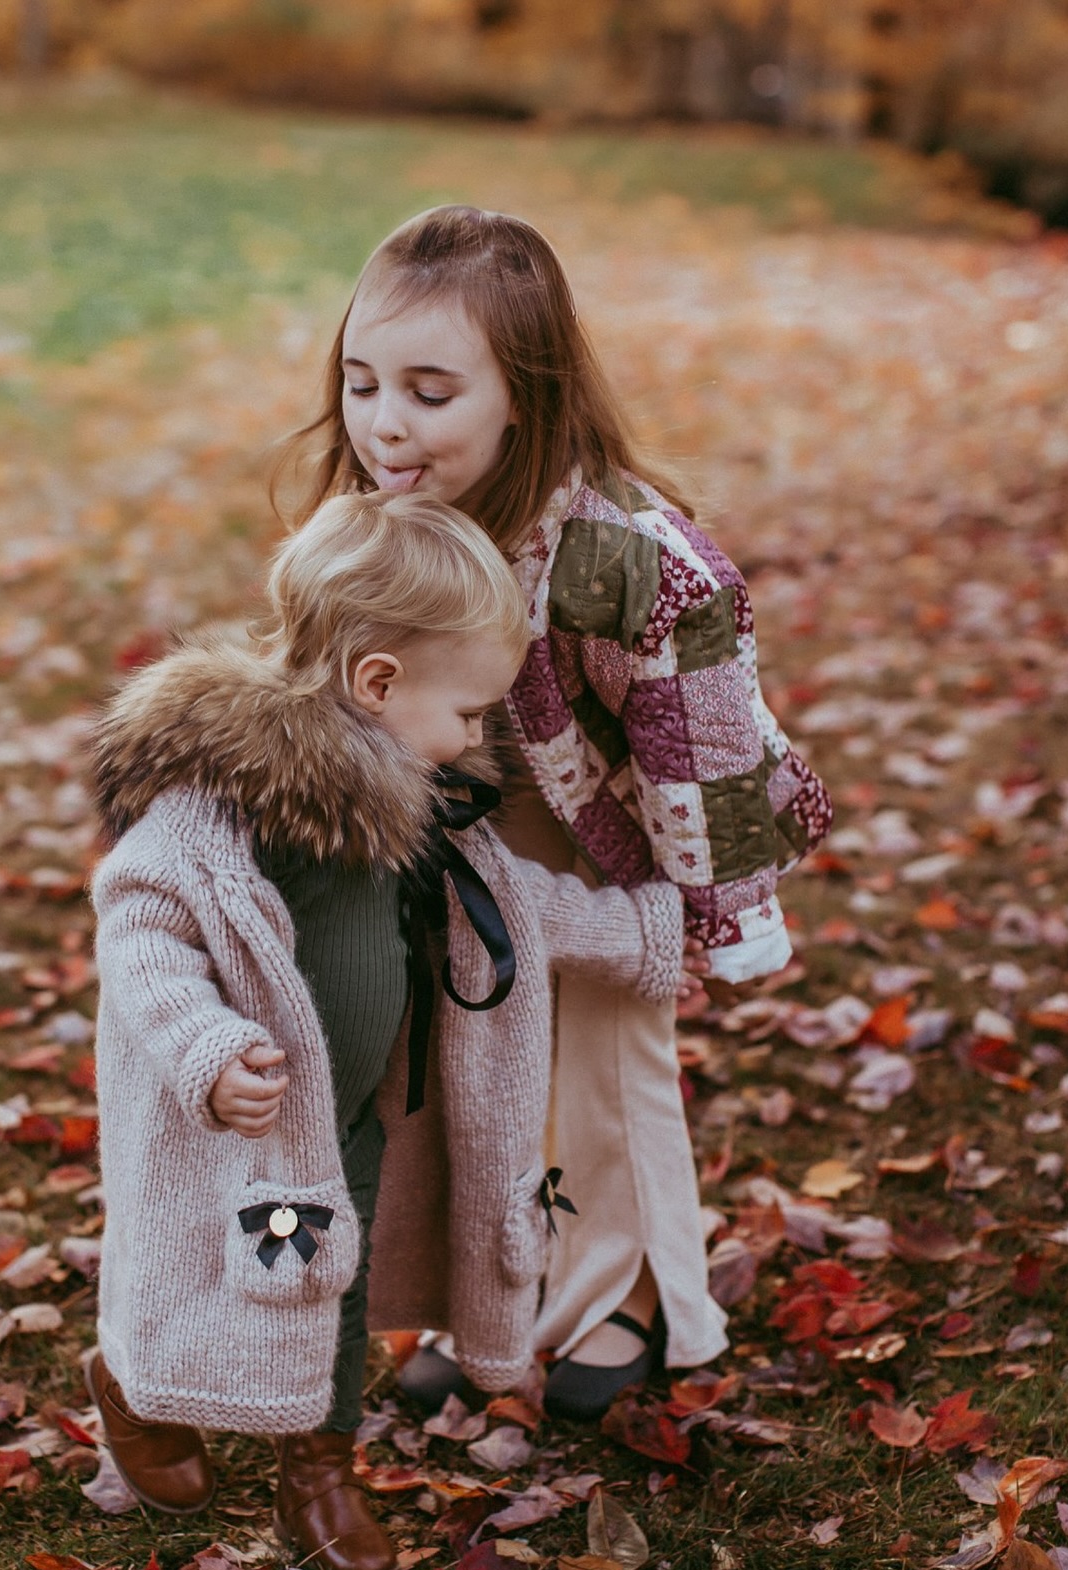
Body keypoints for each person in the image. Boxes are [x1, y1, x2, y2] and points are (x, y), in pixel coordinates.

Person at [280, 205, 832, 1420]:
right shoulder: (381, 516)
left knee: (596, 1052)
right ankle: (493, 1295)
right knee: (471, 1061)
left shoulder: (629, 556)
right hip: (456, 828)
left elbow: (704, 726)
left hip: (616, 830)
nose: (384, 423)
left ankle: (619, 1294)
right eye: (363, 382)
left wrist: (716, 898)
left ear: (522, 392)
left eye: (430, 392)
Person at [84, 490, 692, 1570]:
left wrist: (644, 931)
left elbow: (520, 909)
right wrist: (207, 1050)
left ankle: (319, 1470)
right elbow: (140, 931)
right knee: (200, 1277)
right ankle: (136, 1387)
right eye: (468, 712)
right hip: (227, 1127)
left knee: (335, 1285)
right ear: (377, 683)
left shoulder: (422, 799)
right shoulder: (223, 804)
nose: (477, 737)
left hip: (343, 1130)